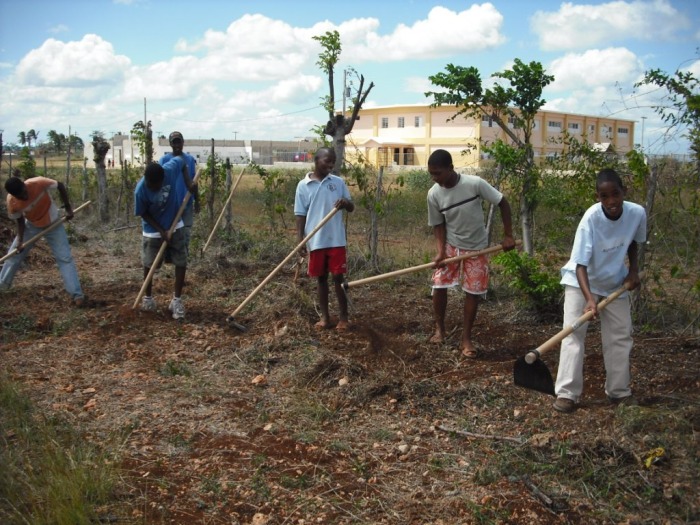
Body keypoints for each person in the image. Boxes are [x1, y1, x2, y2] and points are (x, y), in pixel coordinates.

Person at [553, 168, 647, 414]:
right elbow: (580, 264)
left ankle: (619, 392)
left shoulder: (637, 213)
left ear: (624, 192)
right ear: (598, 197)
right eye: (605, 196)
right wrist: (589, 300)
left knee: (620, 336)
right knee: (573, 334)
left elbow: (633, 243)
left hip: (615, 281)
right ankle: (567, 393)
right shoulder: (591, 218)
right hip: (580, 281)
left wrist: (633, 271)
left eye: (616, 194)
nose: (612, 201)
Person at [427, 149, 515, 358]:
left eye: (438, 173)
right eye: (431, 174)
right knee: (439, 284)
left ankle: (466, 338)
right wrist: (441, 252)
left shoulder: (474, 184)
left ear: (451, 168)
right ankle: (440, 329)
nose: (435, 178)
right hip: (451, 245)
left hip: (477, 247)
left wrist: (508, 235)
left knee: (473, 291)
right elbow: (438, 225)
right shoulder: (434, 194)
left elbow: (503, 202)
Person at [0, 175, 85, 305]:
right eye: (20, 196)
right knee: (13, 256)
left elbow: (60, 185)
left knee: (64, 258)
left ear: (25, 185)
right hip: (32, 225)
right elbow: (20, 221)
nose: (24, 197)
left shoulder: (38, 183)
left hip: (53, 223)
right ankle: (2, 287)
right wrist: (20, 241)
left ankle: (77, 295)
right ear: (13, 195)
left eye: (24, 192)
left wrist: (68, 208)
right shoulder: (12, 202)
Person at [294, 147, 354, 331]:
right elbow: (300, 214)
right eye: (327, 161)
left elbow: (351, 206)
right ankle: (325, 318)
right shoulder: (303, 185)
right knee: (321, 279)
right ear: (316, 159)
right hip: (316, 239)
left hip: (336, 239)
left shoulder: (337, 182)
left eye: (333, 162)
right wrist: (300, 240)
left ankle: (343, 318)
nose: (330, 165)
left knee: (338, 277)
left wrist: (345, 203)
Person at [134, 157, 197, 319]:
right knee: (149, 264)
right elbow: (143, 213)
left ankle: (176, 301)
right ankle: (148, 299)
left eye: (156, 186)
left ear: (163, 180)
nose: (153, 188)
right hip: (152, 230)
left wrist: (188, 183)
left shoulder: (170, 170)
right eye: (150, 185)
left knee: (181, 261)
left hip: (176, 223)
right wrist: (161, 231)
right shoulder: (140, 190)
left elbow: (182, 162)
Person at [159, 131, 199, 255]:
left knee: (185, 231)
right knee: (169, 231)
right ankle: (168, 255)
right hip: (170, 205)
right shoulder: (164, 160)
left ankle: (184, 255)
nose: (177, 145)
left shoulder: (190, 160)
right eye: (174, 143)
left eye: (179, 142)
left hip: (186, 203)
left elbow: (194, 182)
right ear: (170, 144)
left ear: (183, 142)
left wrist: (197, 200)